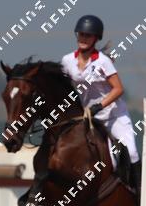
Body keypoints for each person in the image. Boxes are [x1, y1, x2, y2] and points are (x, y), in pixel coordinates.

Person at [60, 14, 141, 195]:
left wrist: (99, 106)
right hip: (87, 117)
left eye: (88, 35)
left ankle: (139, 194)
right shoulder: (67, 61)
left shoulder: (103, 61)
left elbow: (118, 89)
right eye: (81, 34)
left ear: (96, 38)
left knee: (132, 152)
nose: (83, 38)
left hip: (113, 116)